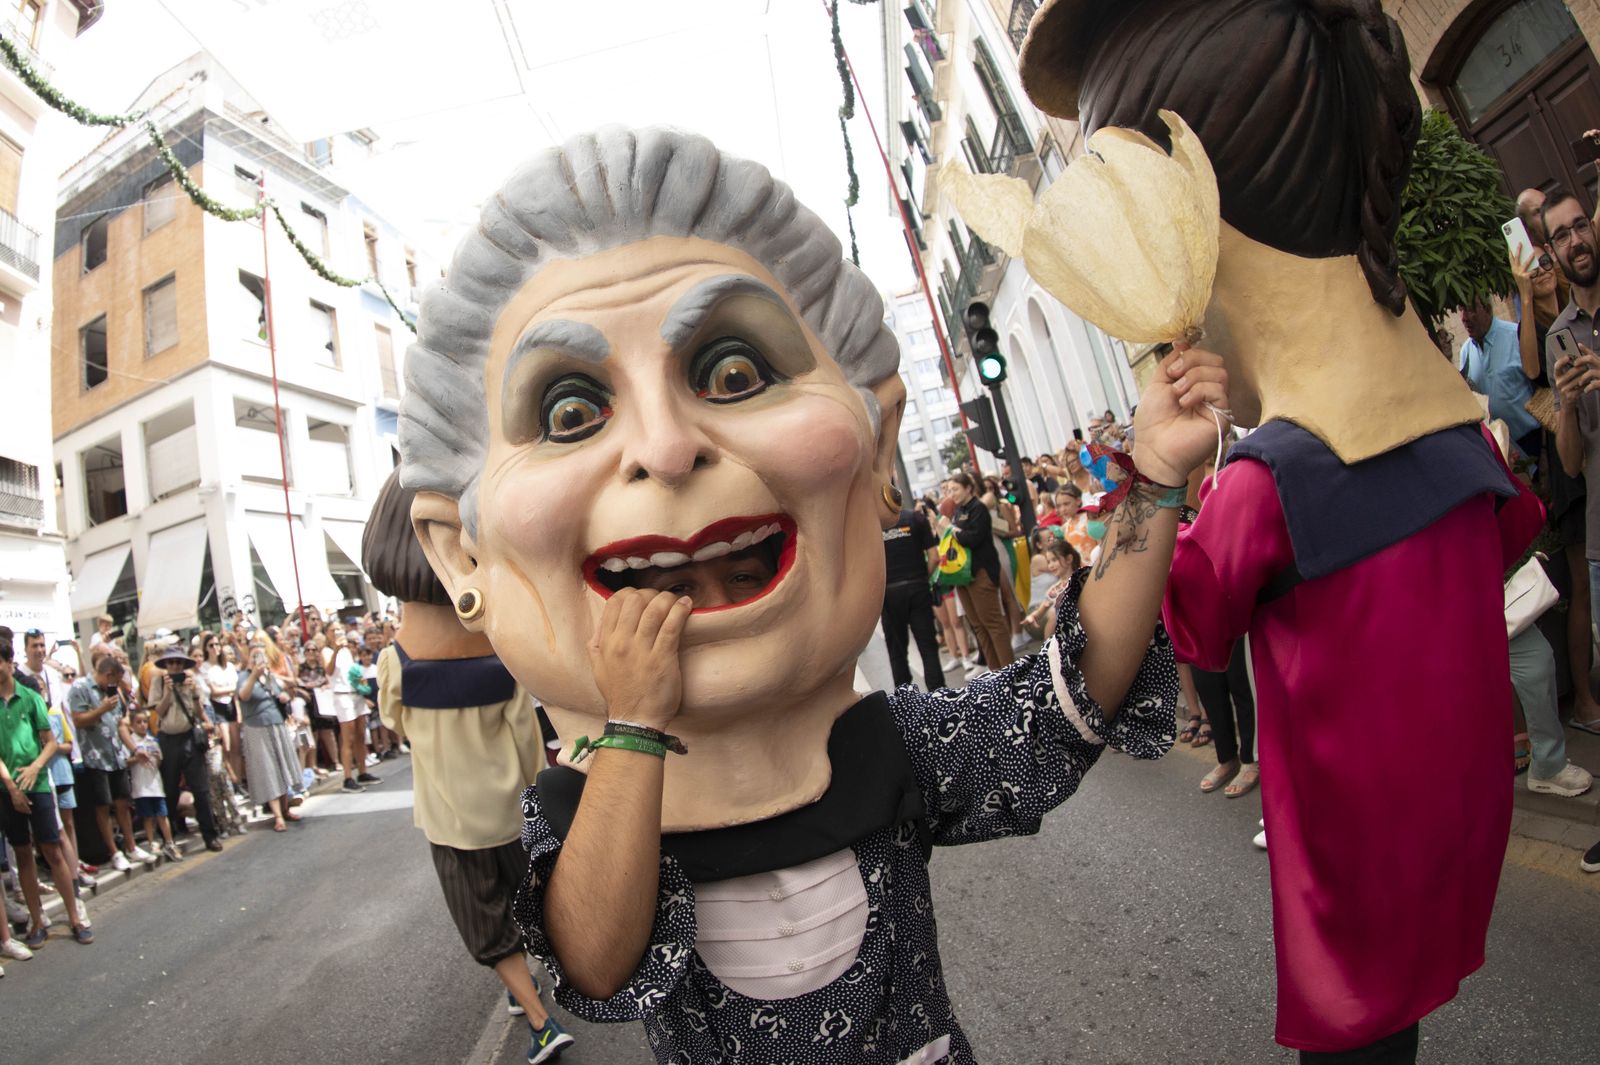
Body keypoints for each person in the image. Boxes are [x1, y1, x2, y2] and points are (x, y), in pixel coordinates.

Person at [398, 126, 1222, 1063]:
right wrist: (632, 729)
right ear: (461, 554)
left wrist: (1153, 480)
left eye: (734, 372)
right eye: (572, 412)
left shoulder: (889, 750)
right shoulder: (586, 811)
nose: (667, 449)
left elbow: (1074, 697)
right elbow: (596, 963)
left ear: (876, 449)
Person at [1020, 2, 1540, 1061]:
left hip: (1350, 868)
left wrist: (1154, 483)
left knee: (1361, 1043)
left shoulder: (1269, 484)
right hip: (1456, 825)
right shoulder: (1450, 427)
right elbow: (1511, 533)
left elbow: (1189, 634)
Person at [363, 470, 574, 1062]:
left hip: (453, 820)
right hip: (510, 811)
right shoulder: (501, 655)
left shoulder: (395, 664)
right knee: (529, 899)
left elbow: (395, 727)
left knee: (484, 923)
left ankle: (539, 1022)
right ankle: (535, 987)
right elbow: (526, 740)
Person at [0, 638, 92, 946]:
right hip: (7, 788)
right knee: (23, 854)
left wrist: (36, 768)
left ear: (9, 662)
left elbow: (50, 741)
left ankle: (75, 916)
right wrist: (12, 785)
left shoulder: (30, 697)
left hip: (37, 784)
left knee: (52, 850)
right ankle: (38, 920)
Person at [69, 655, 156, 870]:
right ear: (108, 675)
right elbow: (78, 720)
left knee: (122, 803)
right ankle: (113, 851)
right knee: (103, 806)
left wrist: (134, 749)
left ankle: (131, 846)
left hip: (116, 756)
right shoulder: (80, 687)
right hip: (95, 757)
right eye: (115, 681)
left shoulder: (114, 692)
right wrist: (101, 709)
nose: (116, 685)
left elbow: (120, 725)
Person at [147, 647, 223, 851]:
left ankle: (210, 835)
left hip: (189, 737)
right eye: (170, 663)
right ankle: (168, 836)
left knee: (200, 789)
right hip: (168, 739)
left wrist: (195, 693)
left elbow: (198, 712)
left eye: (178, 663)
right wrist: (169, 692)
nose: (174, 667)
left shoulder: (191, 681)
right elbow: (159, 712)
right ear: (165, 665)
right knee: (170, 788)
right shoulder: (159, 682)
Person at [945, 472, 1014, 672]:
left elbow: (973, 538)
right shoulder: (959, 511)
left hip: (981, 571)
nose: (952, 493)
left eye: (955, 489)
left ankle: (1009, 673)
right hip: (962, 575)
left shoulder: (979, 508)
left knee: (992, 623)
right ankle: (995, 672)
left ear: (968, 488)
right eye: (950, 490)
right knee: (977, 625)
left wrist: (953, 532)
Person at [1459, 301, 1541, 463]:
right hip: (1500, 452)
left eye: (1470, 308)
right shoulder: (1466, 353)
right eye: (1461, 309)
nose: (1464, 317)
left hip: (1533, 442)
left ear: (1487, 307)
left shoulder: (1516, 336)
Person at [236, 643, 302, 833]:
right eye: (255, 656)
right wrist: (254, 675)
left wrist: (283, 696)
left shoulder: (269, 677)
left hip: (275, 723)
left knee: (281, 766)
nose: (259, 660)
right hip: (257, 727)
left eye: (262, 656)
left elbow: (288, 685)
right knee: (268, 769)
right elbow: (243, 695)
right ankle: (277, 816)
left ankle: (285, 809)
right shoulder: (243, 677)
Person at [880, 500, 946, 690]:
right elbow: (934, 556)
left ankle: (905, 702)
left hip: (889, 593)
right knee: (928, 648)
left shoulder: (873, 526)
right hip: (917, 588)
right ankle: (938, 699)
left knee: (897, 652)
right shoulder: (916, 518)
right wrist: (922, 577)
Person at [124, 708, 182, 862]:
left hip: (155, 784)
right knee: (148, 816)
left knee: (162, 814)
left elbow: (159, 761)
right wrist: (138, 758)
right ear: (131, 725)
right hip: (141, 787)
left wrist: (156, 757)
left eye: (145, 722)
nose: (142, 725)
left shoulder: (152, 740)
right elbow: (126, 762)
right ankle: (152, 842)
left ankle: (169, 842)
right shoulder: (131, 742)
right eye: (138, 722)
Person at [332, 631, 377, 792]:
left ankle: (362, 772)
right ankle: (347, 777)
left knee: (360, 735)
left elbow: (354, 676)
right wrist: (336, 650)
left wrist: (362, 687)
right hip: (343, 696)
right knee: (348, 738)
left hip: (356, 695)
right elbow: (328, 671)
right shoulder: (330, 652)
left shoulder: (349, 655)